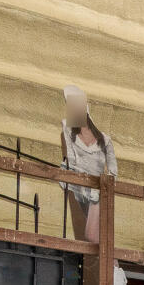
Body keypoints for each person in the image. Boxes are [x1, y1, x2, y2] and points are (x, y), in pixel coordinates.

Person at [59, 85, 116, 243]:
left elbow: (113, 170)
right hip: (79, 189)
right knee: (93, 235)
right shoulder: (70, 134)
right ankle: (113, 266)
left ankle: (114, 267)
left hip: (98, 191)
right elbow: (70, 159)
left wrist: (105, 186)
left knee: (92, 235)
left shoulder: (104, 139)